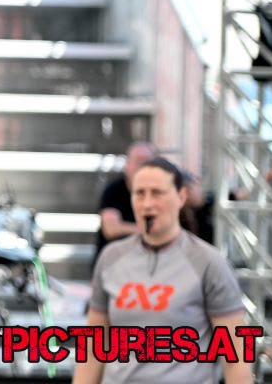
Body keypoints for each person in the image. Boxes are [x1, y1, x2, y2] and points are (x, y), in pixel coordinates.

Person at [75, 158, 254, 384]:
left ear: (181, 197)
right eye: (140, 193)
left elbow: (236, 358)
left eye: (157, 193)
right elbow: (92, 348)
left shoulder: (209, 262)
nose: (147, 203)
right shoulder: (111, 258)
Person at [97, 142, 156, 263]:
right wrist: (146, 230)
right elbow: (111, 229)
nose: (142, 167)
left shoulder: (159, 193)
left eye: (147, 162)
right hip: (114, 263)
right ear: (127, 164)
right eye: (138, 161)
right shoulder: (114, 191)